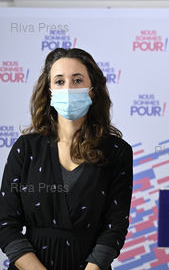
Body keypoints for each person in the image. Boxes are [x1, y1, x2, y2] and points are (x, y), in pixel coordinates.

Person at [0, 48, 133, 270]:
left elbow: (115, 227)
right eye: (59, 81)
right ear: (49, 91)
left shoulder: (117, 151)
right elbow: (5, 224)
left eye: (77, 80)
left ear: (92, 90)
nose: (68, 88)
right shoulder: (26, 148)